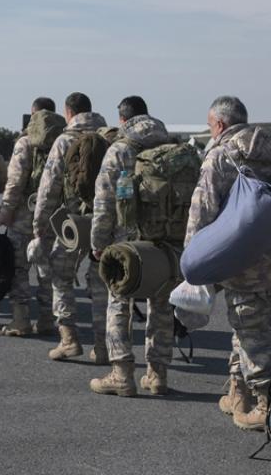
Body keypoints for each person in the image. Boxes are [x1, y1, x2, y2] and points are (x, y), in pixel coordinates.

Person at [184, 96, 271, 429]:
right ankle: (237, 392)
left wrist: (192, 260)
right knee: (249, 324)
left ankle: (266, 404)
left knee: (252, 332)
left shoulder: (220, 155)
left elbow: (202, 210)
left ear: (220, 124)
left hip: (237, 259)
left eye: (210, 125)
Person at [89, 96, 175, 397]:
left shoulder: (120, 149)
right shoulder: (171, 146)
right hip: (165, 238)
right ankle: (157, 374)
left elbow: (104, 201)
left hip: (127, 241)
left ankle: (121, 373)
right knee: (162, 303)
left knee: (119, 300)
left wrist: (98, 243)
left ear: (123, 119)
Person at [31, 92, 110, 362]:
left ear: (68, 113)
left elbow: (49, 188)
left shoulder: (64, 140)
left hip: (72, 224)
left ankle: (68, 339)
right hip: (105, 221)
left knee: (60, 276)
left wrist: (40, 226)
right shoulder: (109, 138)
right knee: (102, 284)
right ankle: (102, 346)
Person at [0, 97, 59, 336]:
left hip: (24, 215)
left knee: (19, 267)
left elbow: (15, 181)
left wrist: (6, 209)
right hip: (55, 216)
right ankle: (47, 319)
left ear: (33, 114)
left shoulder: (26, 142)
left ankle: (21, 319)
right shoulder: (63, 141)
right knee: (47, 269)